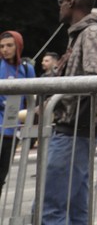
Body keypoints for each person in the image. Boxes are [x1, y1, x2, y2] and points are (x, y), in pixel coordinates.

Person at [42, 0, 97, 225]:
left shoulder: (92, 33)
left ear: (71, 2)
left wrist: (65, 108)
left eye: (62, 1)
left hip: (73, 131)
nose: (60, 6)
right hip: (75, 131)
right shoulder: (80, 35)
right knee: (73, 208)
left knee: (52, 208)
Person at [0, 30, 35, 198]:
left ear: (18, 46)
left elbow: (33, 100)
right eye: (1, 46)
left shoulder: (27, 69)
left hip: (12, 131)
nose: (5, 49)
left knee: (1, 176)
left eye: (9, 45)